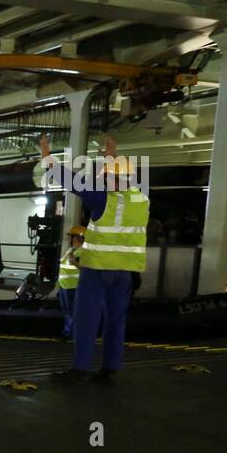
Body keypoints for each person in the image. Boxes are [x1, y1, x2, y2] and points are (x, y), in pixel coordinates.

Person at [44, 135, 147, 385]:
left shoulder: (102, 200)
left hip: (97, 268)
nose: (100, 178)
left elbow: (69, 179)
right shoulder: (141, 199)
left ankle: (80, 370)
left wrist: (47, 156)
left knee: (86, 318)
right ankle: (110, 369)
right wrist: (111, 156)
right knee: (115, 320)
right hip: (125, 272)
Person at [56, 225, 84, 340]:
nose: (70, 239)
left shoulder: (83, 252)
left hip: (73, 286)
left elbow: (86, 269)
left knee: (71, 311)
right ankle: (67, 331)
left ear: (80, 238)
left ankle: (70, 333)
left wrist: (74, 263)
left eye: (72, 237)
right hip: (64, 286)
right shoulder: (71, 250)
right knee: (67, 311)